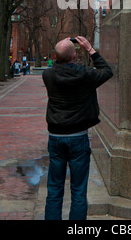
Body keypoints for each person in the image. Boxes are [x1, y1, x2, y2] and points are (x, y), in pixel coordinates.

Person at [42, 36, 113, 220]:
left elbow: (60, 61)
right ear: (75, 56)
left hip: (56, 138)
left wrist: (63, 46)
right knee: (79, 191)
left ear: (55, 56)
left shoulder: (48, 75)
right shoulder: (85, 75)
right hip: (78, 138)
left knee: (54, 190)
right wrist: (90, 49)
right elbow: (106, 71)